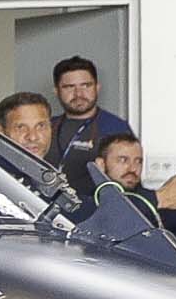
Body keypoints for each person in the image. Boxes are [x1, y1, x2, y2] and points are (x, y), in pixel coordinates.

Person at [89, 134, 176, 276]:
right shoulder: (86, 203)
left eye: (138, 161)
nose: (132, 168)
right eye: (123, 160)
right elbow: (106, 218)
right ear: (101, 164)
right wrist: (159, 198)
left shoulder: (166, 206)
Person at [45, 57, 132, 196]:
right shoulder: (45, 128)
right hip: (45, 204)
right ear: (56, 91)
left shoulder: (116, 128)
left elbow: (129, 181)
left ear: (97, 87)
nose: (78, 94)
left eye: (86, 85)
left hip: (95, 205)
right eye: (69, 87)